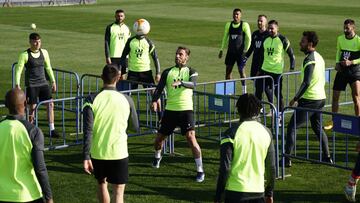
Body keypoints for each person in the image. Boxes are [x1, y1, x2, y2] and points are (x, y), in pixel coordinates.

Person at [83, 64, 140, 203]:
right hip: (119, 152)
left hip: (98, 152)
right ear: (118, 78)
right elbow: (135, 127)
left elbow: (88, 130)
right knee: (119, 192)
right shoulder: (127, 99)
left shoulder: (91, 99)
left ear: (102, 77)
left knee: (102, 184)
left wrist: (86, 156)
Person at [151, 46, 205, 182]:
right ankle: (158, 156)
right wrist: (154, 100)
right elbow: (159, 89)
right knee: (159, 139)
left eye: (180, 54)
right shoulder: (167, 72)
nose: (177, 56)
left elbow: (193, 84)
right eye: (176, 54)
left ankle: (200, 170)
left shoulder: (191, 71)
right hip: (170, 110)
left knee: (191, 137)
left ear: (187, 57)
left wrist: (181, 82)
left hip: (186, 110)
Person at [283, 31, 332, 168]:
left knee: (292, 126)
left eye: (303, 41)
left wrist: (295, 98)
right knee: (317, 127)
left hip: (310, 100)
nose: (300, 43)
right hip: (320, 98)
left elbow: (306, 82)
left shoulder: (309, 59)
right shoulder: (319, 57)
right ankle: (327, 157)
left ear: (310, 44)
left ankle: (287, 159)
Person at [214, 93, 275, 203]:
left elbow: (225, 168)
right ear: (258, 110)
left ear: (238, 109)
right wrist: (269, 192)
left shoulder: (230, 133)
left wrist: (218, 194)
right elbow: (271, 166)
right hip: (258, 192)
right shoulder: (267, 132)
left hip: (234, 192)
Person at [0, 88, 53, 203]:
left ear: (5, 105)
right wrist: (49, 197)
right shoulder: (33, 131)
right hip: (28, 195)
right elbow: (40, 169)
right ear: (25, 103)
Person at [15, 32, 59, 138]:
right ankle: (31, 129)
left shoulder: (45, 52)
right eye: (35, 42)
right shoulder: (24, 55)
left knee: (50, 104)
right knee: (32, 108)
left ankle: (52, 129)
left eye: (39, 41)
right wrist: (17, 84)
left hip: (43, 83)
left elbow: (48, 67)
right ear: (30, 42)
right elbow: (19, 70)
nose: (37, 44)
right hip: (32, 85)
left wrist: (53, 81)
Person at [324, 19, 360, 130]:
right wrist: (337, 63)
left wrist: (351, 62)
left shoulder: (359, 40)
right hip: (342, 71)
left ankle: (358, 120)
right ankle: (333, 120)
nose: (345, 30)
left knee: (356, 98)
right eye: (344, 28)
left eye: (347, 28)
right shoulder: (340, 38)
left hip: (355, 72)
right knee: (335, 97)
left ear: (353, 28)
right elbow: (338, 51)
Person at [255, 20, 295, 115]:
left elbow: (291, 55)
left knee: (278, 95)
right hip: (264, 71)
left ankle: (280, 116)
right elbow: (261, 56)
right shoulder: (265, 39)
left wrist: (291, 68)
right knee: (258, 90)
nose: (270, 30)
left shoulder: (283, 40)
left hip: (276, 73)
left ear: (277, 28)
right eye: (269, 28)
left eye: (272, 28)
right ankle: (258, 110)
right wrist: (258, 70)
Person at [120, 19, 161, 90]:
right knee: (126, 93)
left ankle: (157, 101)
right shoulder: (130, 41)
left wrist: (158, 73)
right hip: (133, 72)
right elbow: (123, 56)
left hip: (146, 71)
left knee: (153, 93)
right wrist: (120, 70)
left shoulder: (148, 42)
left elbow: (155, 58)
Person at [218, 8, 251, 93]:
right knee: (228, 71)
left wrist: (246, 50)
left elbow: (248, 38)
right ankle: (229, 91)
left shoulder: (244, 25)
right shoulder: (228, 24)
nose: (235, 16)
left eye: (237, 14)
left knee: (241, 71)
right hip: (230, 52)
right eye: (234, 14)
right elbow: (225, 37)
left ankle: (244, 91)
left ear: (240, 15)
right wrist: (221, 49)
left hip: (240, 54)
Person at [246, 14, 272, 115]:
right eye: (258, 21)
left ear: (265, 22)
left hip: (264, 65)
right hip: (255, 63)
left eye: (261, 21)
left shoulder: (268, 35)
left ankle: (272, 109)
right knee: (258, 86)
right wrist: (245, 58)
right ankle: (259, 108)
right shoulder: (255, 34)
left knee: (265, 87)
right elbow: (252, 47)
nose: (259, 23)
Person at [104, 9, 131, 80]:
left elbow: (129, 44)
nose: (120, 18)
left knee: (123, 76)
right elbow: (106, 42)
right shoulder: (110, 27)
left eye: (121, 16)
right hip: (114, 56)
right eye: (118, 16)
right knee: (114, 77)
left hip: (125, 57)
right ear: (115, 16)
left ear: (124, 17)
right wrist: (107, 56)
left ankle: (122, 91)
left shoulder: (127, 28)